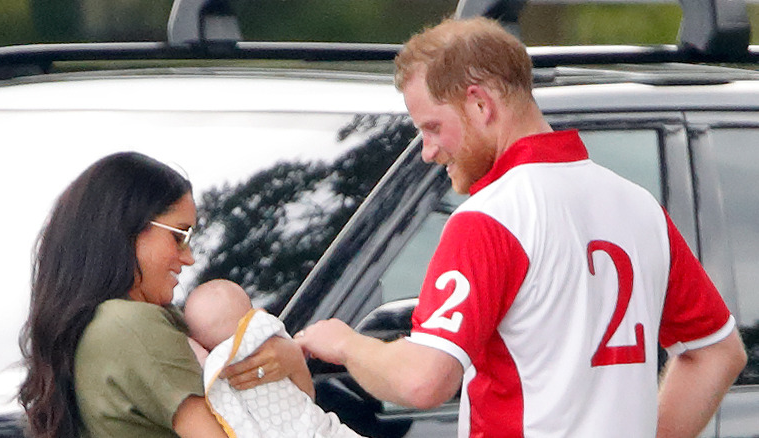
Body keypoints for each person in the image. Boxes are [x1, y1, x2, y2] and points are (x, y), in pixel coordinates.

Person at [294, 16, 748, 438]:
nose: (428, 151)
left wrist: (347, 344)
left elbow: (422, 381)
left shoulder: (490, 218)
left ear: (479, 104)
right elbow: (717, 352)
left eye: (432, 127)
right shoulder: (639, 207)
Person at [18, 152, 310, 438]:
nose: (189, 258)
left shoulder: (93, 328)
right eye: (179, 236)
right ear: (125, 229)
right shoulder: (133, 324)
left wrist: (289, 360)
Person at [183, 279, 363, 438]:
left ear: (202, 344)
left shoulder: (216, 376)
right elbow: (307, 396)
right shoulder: (269, 334)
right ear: (254, 313)